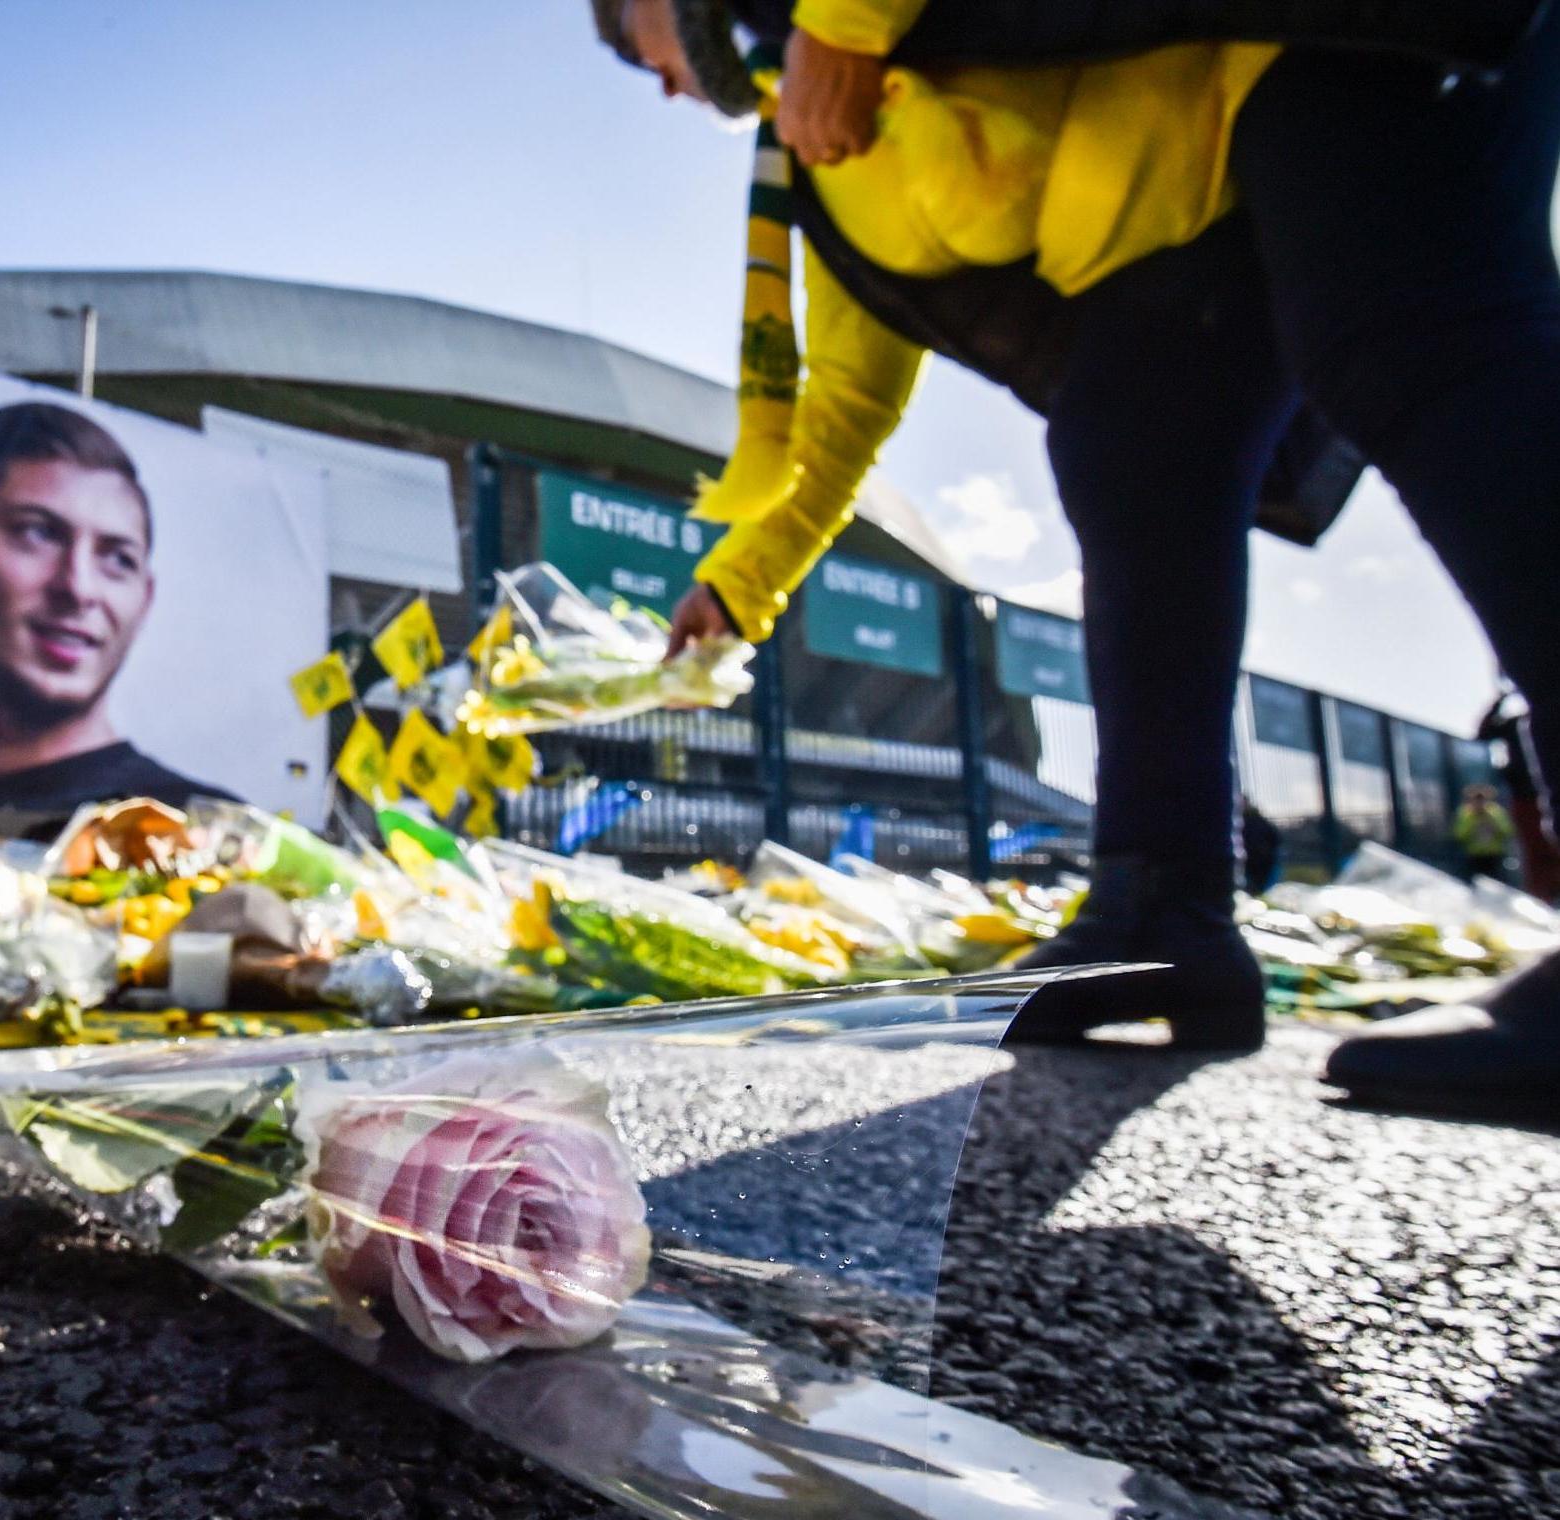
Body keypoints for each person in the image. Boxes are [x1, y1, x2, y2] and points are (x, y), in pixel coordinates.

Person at [592, 0, 1560, 1105]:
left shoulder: (826, 42)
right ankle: (1164, 911)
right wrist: (733, 585)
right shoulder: (815, 154)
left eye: (634, 40)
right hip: (1195, 212)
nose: (660, 83)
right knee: (1129, 444)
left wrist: (846, 24)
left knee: (1416, 337)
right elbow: (842, 415)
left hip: (1302, 70)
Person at [0, 401, 228, 812]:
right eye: (36, 532)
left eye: (118, 560)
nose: (78, 588)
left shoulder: (206, 841)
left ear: (145, 600)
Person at [1478, 686, 1560, 900]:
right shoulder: (1513, 724)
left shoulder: (1550, 716)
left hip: (1549, 791)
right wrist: (1498, 703)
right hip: (1526, 796)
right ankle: (1544, 901)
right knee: (1538, 854)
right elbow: (1483, 733)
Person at [1453, 785, 1517, 883]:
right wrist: (1473, 822)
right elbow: (1459, 834)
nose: (1479, 803)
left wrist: (1492, 823)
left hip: (1494, 855)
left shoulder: (1496, 812)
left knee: (1497, 882)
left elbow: (1508, 831)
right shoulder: (1465, 814)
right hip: (1473, 855)